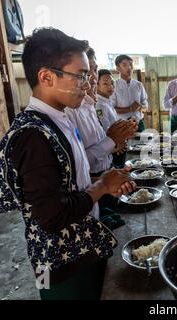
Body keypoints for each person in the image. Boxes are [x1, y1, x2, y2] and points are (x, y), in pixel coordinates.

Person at [0, 28, 137, 300]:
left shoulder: (59, 120)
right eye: (80, 76)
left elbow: (71, 180)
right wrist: (100, 187)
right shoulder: (33, 135)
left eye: (88, 76)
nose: (87, 84)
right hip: (59, 265)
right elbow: (51, 216)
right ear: (46, 77)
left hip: (81, 246)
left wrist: (107, 182)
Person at [66, 48, 136, 228]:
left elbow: (100, 145)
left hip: (105, 180)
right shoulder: (69, 112)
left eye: (94, 70)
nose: (91, 78)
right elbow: (77, 163)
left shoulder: (88, 105)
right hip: (92, 188)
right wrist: (112, 140)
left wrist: (117, 142)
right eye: (84, 73)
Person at [96, 69, 129, 168]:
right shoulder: (99, 105)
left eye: (112, 83)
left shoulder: (107, 101)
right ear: (96, 85)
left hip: (116, 147)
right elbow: (106, 131)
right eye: (105, 84)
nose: (110, 87)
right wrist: (118, 146)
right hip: (112, 149)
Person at [111, 55, 149, 132]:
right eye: (124, 65)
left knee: (143, 144)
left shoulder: (138, 85)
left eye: (131, 64)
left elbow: (146, 107)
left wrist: (140, 107)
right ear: (118, 68)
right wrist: (130, 109)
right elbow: (112, 109)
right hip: (121, 125)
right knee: (124, 144)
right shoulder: (114, 86)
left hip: (139, 124)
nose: (129, 67)